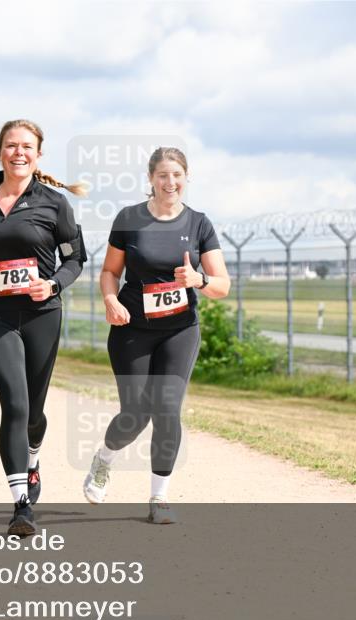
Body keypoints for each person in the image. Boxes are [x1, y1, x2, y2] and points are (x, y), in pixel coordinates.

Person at [84, 147, 230, 524]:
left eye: (177, 174)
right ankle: (105, 458)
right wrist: (110, 300)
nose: (170, 182)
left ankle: (159, 497)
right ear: (150, 178)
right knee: (136, 413)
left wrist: (200, 280)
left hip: (179, 329)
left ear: (186, 177)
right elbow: (109, 272)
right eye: (163, 175)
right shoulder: (130, 219)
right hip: (131, 327)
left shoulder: (199, 224)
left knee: (166, 410)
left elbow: (223, 285)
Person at [0, 119, 87, 536]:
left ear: (38, 154)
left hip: (41, 314)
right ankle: (21, 506)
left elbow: (75, 259)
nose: (19, 152)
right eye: (11, 145)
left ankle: (33, 459)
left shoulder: (53, 203)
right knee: (14, 404)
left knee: (33, 413)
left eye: (26, 146)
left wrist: (52, 283)